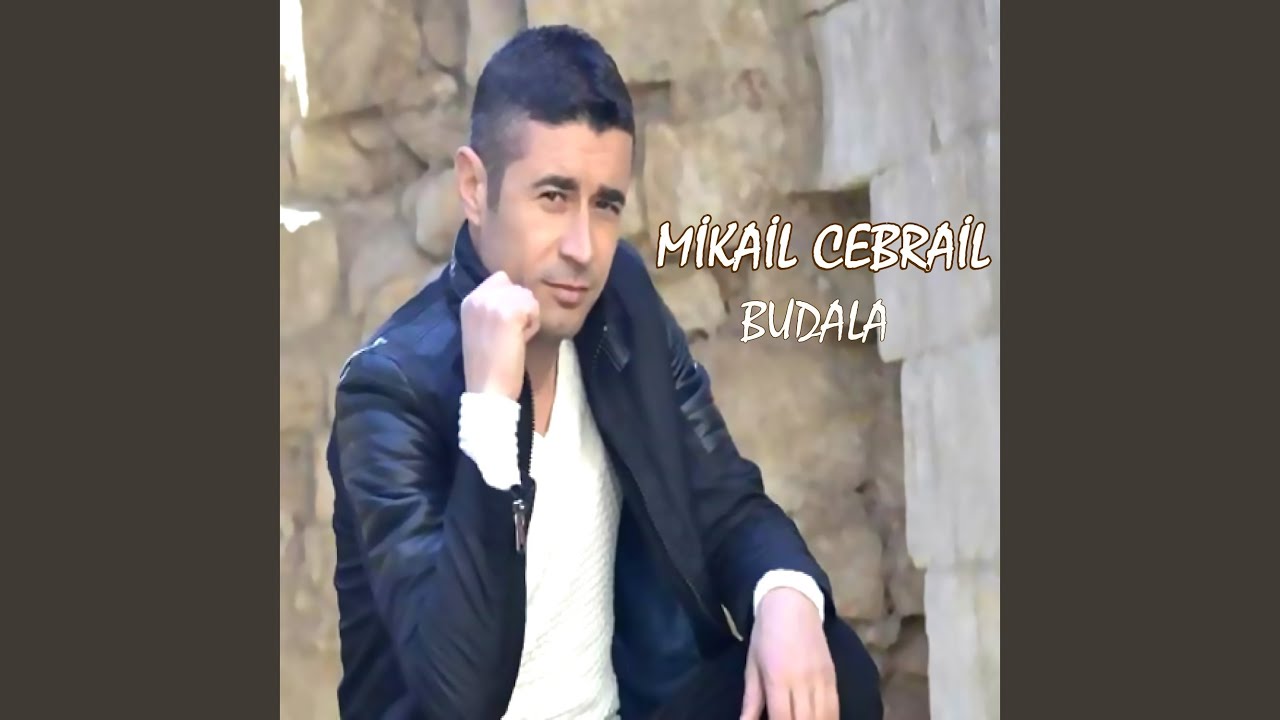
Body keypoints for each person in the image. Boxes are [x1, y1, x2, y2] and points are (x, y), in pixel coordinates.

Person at [325, 24, 883, 720]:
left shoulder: (622, 304)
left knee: (834, 668)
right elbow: (458, 695)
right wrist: (490, 414)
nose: (583, 248)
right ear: (474, 187)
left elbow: (723, 498)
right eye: (553, 198)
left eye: (606, 205)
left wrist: (784, 597)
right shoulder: (389, 389)